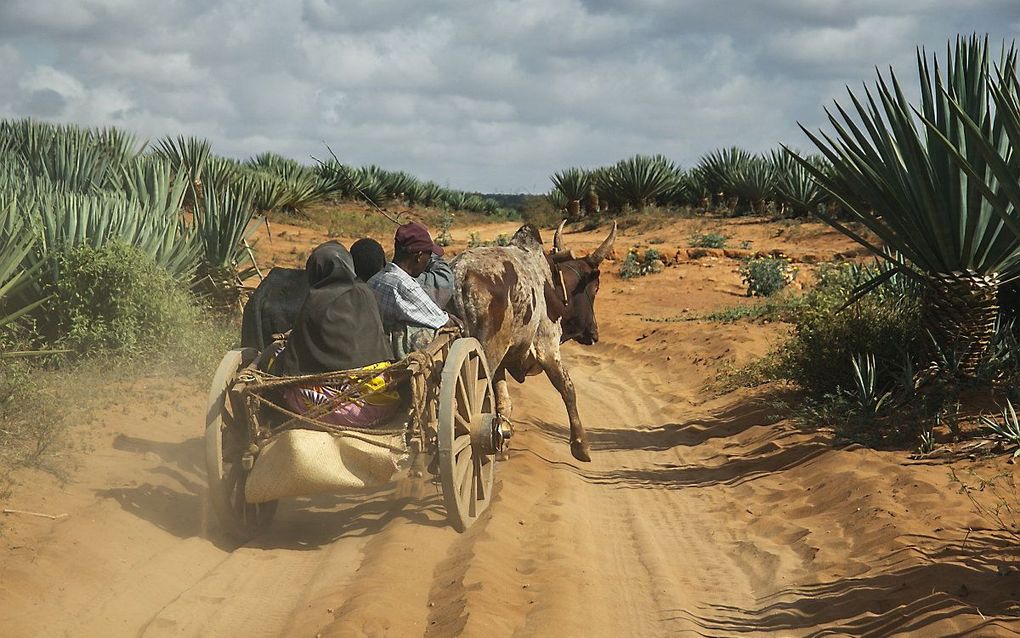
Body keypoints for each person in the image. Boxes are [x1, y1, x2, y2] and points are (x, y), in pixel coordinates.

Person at [272, 241, 399, 427]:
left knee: (276, 359)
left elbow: (293, 358)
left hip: (321, 409)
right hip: (377, 403)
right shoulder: (366, 293)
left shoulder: (313, 302)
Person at [368, 222, 453, 358]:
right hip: (401, 358)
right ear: (419, 256)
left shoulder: (375, 279)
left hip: (378, 349)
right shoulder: (404, 286)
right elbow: (441, 321)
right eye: (428, 255)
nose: (428, 261)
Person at [351, 236, 455, 309]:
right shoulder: (408, 285)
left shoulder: (350, 297)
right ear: (419, 256)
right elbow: (445, 279)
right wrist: (430, 252)